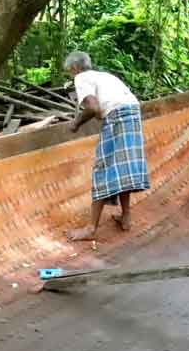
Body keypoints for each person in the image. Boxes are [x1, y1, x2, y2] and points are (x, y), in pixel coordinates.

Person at [59, 51, 150, 241]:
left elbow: (93, 108)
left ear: (74, 69)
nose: (70, 75)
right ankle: (125, 218)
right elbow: (102, 109)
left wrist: (75, 124)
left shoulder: (82, 78)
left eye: (69, 72)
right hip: (132, 112)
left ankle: (91, 229)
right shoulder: (104, 76)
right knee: (122, 167)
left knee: (103, 169)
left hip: (118, 117)